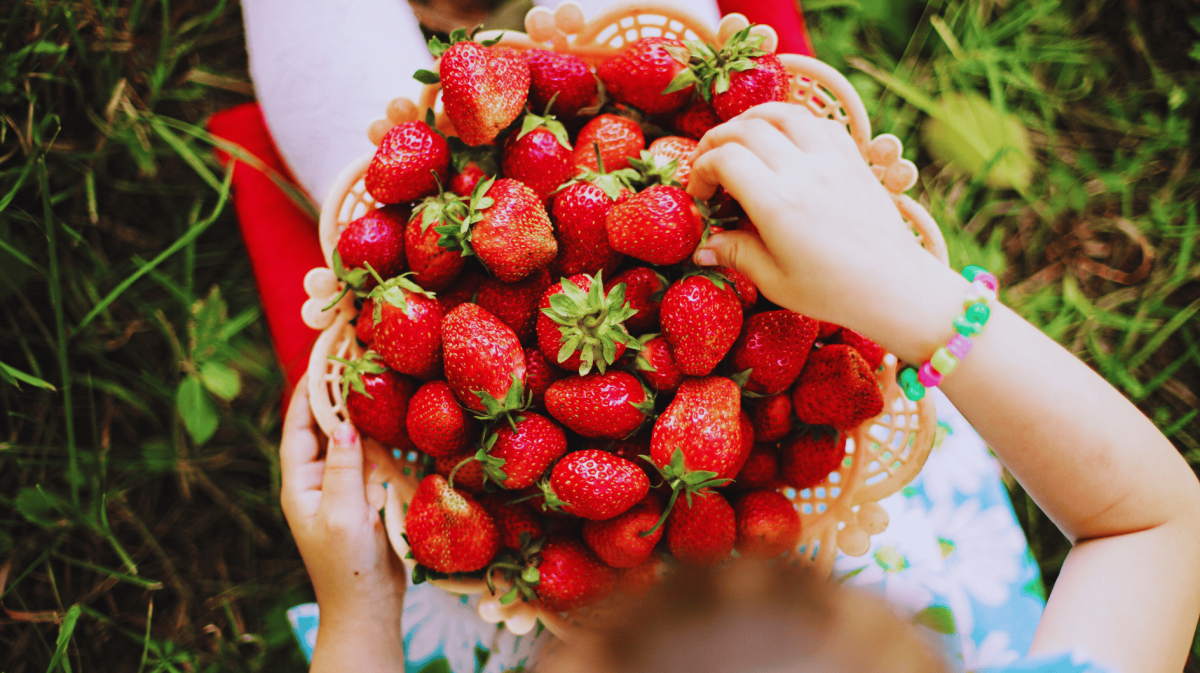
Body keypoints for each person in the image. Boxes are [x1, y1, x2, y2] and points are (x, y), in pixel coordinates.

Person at [277, 101, 1200, 673]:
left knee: (357, 129)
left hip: (528, 530)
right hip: (826, 481)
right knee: (698, 104)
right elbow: (1158, 522)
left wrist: (363, 612)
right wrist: (912, 298)